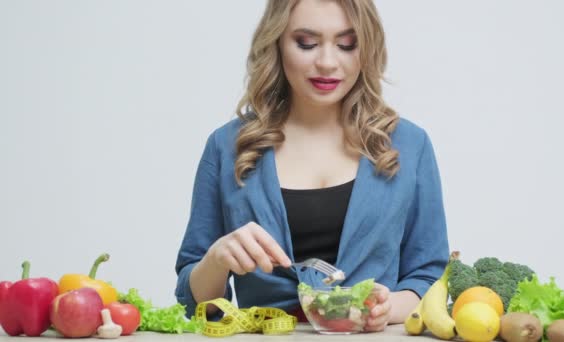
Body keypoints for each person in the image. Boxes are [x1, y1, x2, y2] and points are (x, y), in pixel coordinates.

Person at [175, 0, 449, 332]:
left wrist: (390, 306)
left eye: (348, 45)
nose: (327, 62)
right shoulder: (227, 146)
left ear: (368, 47)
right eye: (306, 43)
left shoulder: (409, 144)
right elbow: (192, 301)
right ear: (276, 43)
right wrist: (217, 259)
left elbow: (428, 276)